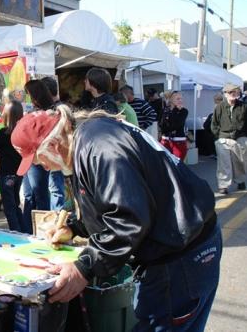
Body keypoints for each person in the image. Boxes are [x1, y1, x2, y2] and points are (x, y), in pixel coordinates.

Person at [11, 105, 221, 332]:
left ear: (52, 145)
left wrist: (84, 267)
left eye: (39, 160)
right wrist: (74, 227)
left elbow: (128, 217)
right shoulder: (89, 138)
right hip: (180, 243)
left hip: (180, 256)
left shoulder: (100, 146)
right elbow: (110, 203)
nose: (43, 166)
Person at [20, 80, 52, 233]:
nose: (25, 97)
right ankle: (27, 231)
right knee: (28, 195)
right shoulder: (30, 112)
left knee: (40, 194)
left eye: (27, 94)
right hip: (27, 158)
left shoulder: (45, 113)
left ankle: (44, 230)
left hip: (37, 158)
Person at [0, 101, 25, 232]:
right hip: (19, 173)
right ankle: (24, 231)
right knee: (16, 205)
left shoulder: (4, 133)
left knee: (9, 207)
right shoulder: (23, 132)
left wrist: (2, 149)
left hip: (6, 174)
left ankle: (16, 233)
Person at [211, 83, 247, 195]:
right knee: (224, 163)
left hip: (240, 137)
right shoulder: (219, 107)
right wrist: (218, 137)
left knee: (239, 161)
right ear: (225, 94)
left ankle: (240, 180)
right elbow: (214, 124)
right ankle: (223, 185)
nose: (234, 94)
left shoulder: (243, 106)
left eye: (236, 92)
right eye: (231, 92)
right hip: (223, 137)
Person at [41, 76, 66, 211]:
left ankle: (57, 223)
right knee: (55, 189)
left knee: (55, 190)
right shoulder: (62, 107)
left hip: (55, 155)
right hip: (56, 155)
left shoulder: (56, 110)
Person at [159, 90, 188, 160]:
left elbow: (176, 125)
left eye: (181, 98)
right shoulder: (165, 110)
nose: (180, 100)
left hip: (179, 142)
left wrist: (175, 110)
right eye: (177, 99)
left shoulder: (184, 111)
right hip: (165, 141)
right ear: (171, 100)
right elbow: (162, 126)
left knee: (177, 165)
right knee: (166, 164)